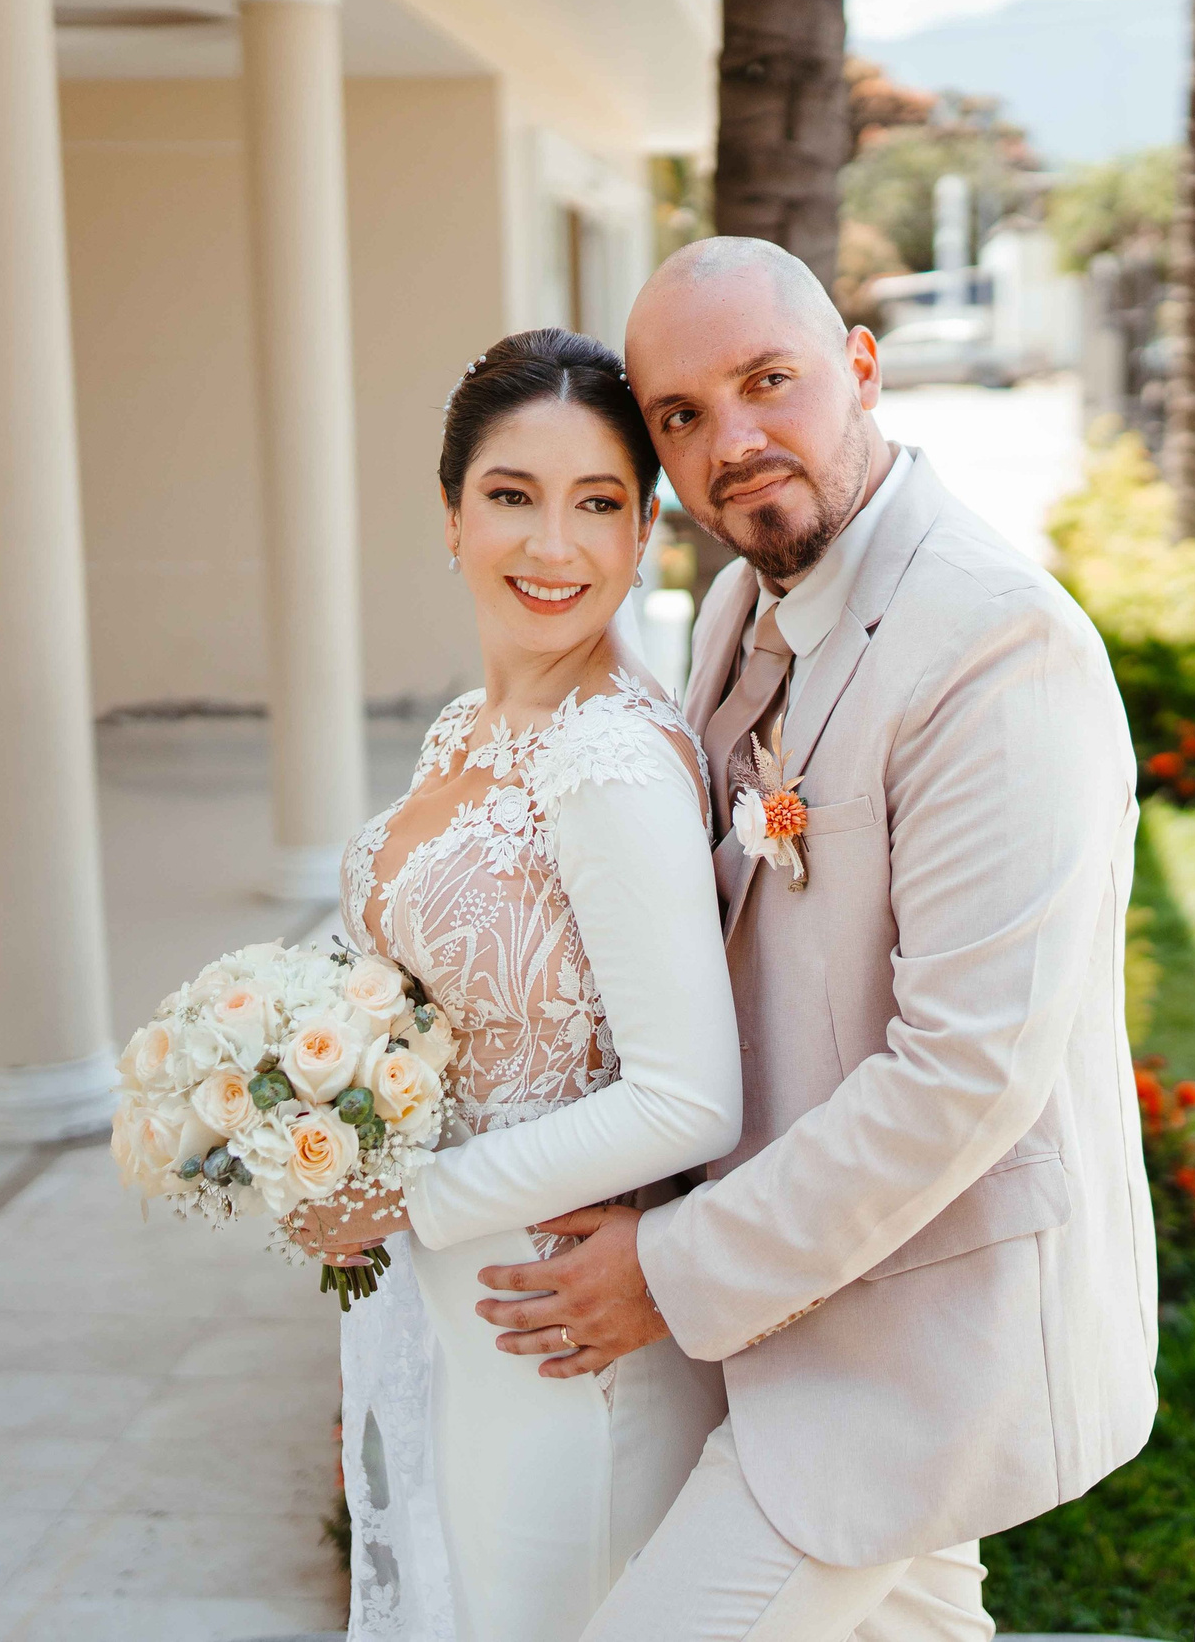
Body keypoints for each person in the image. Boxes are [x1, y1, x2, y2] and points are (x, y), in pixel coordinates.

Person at [465, 237, 1160, 1641]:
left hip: (917, 1346)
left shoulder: (995, 647)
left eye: (767, 382)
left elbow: (964, 1076)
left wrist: (666, 1270)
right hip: (797, 1316)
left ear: (859, 369)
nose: (734, 443)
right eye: (683, 416)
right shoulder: (741, 605)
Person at [288, 327, 743, 1641]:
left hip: (563, 1364)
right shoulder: (472, 730)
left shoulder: (608, 765)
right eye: (511, 497)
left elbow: (687, 1101)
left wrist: (405, 1199)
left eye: (598, 504)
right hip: (467, 1340)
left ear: (646, 530)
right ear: (449, 515)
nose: (554, 549)